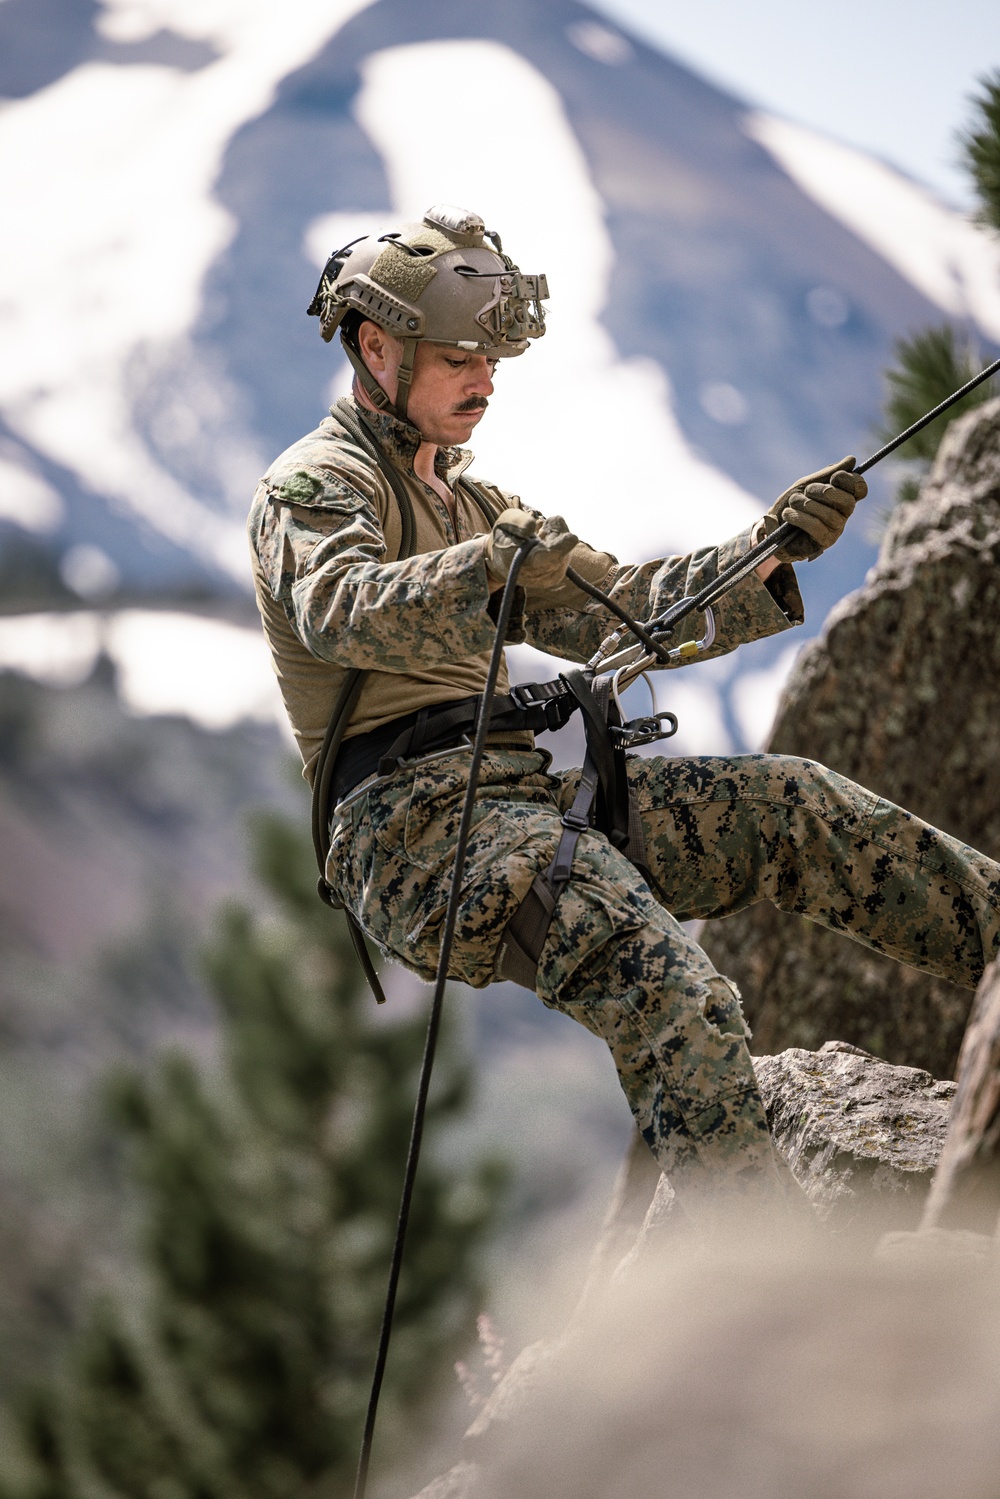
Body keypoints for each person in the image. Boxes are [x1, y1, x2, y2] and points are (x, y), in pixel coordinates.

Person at [247, 204, 1000, 1224]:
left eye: (492, 359)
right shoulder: (315, 486)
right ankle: (761, 1282)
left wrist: (767, 550)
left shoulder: (472, 502)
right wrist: (491, 567)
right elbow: (344, 613)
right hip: (413, 837)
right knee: (670, 992)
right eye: (459, 355)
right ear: (376, 346)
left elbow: (629, 611)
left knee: (790, 802)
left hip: (520, 800)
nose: (483, 378)